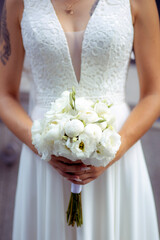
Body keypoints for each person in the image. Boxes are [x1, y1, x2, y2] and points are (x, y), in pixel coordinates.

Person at [0, 0, 160, 239]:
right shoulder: (17, 2)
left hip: (116, 156)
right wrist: (41, 145)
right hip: (45, 159)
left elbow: (154, 93)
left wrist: (113, 150)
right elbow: (4, 94)